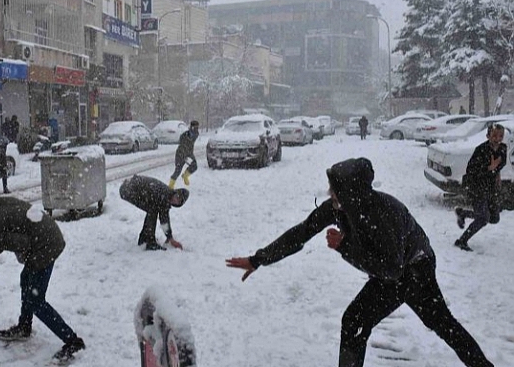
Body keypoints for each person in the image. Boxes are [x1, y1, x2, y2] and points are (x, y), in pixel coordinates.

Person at [226, 158, 494, 367]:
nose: (330, 192)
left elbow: (391, 269)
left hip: (415, 269)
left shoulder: (383, 213)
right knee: (354, 320)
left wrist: (344, 246)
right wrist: (258, 259)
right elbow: (302, 232)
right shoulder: (338, 207)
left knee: (443, 325)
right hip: (391, 269)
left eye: (336, 188)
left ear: (352, 192)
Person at [0, 197, 85, 364]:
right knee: (26, 280)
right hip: (46, 231)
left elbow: (21, 243)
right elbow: (4, 234)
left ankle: (73, 342)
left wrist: (22, 256)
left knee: (36, 301)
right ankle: (24, 326)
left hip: (45, 245)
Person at [454, 124, 507, 252]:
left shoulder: (503, 148)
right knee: (483, 218)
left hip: (491, 187)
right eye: (494, 135)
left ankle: (462, 213)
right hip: (476, 186)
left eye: (500, 136)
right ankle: (461, 241)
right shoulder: (481, 150)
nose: (497, 139)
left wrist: (496, 174)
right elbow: (470, 170)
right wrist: (489, 168)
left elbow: (500, 164)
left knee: (494, 218)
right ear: (488, 136)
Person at [119, 174, 189, 251]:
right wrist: (170, 238)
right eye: (177, 196)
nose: (176, 200)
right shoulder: (163, 195)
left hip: (131, 187)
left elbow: (164, 219)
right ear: (175, 192)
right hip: (128, 189)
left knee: (152, 209)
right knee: (152, 211)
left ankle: (144, 238)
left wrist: (169, 237)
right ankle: (150, 242)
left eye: (179, 201)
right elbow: (164, 219)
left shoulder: (166, 196)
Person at [169, 120, 200, 189]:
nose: (196, 129)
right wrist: (184, 157)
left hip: (189, 154)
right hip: (180, 154)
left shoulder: (196, 134)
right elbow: (182, 145)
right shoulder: (184, 136)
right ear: (191, 127)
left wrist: (189, 155)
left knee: (194, 166)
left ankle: (185, 175)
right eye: (195, 128)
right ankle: (170, 186)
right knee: (178, 170)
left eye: (197, 128)